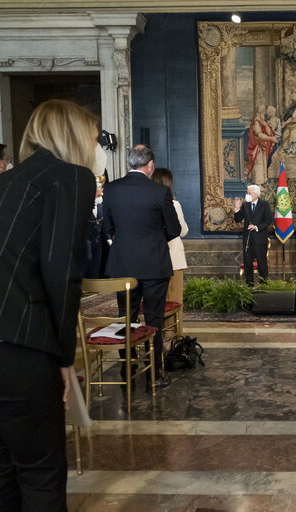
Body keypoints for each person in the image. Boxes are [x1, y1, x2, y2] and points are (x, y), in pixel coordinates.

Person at [0, 99, 98, 511]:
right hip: (7, 345)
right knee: (41, 473)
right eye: (93, 136)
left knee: (6, 464)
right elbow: (61, 269)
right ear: (75, 138)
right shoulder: (70, 177)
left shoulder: (0, 183)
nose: (97, 145)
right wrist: (65, 358)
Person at [103, 144, 182, 390]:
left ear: (130, 163)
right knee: (153, 319)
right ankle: (155, 374)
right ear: (150, 166)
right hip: (155, 264)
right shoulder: (159, 192)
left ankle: (128, 369)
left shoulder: (111, 189)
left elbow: (107, 228)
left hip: (123, 265)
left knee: (125, 317)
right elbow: (175, 230)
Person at [151, 167, 189, 306]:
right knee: (174, 299)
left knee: (156, 300)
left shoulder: (148, 203)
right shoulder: (174, 204)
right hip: (173, 257)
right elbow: (183, 231)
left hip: (153, 256)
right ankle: (172, 328)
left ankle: (157, 327)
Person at [233, 184, 272, 286]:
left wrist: (256, 227)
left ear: (255, 194)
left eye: (249, 193)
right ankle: (249, 286)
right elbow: (238, 219)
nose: (247, 195)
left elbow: (268, 220)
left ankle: (264, 286)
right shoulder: (245, 205)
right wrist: (237, 209)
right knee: (247, 264)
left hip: (260, 239)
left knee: (262, 263)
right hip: (248, 240)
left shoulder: (264, 204)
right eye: (247, 193)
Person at [246, 105, 278, 185]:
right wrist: (271, 139)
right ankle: (257, 184)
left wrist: (266, 125)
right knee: (258, 165)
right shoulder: (256, 122)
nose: (264, 116)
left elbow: (269, 133)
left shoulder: (261, 122)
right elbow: (260, 135)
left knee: (262, 164)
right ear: (260, 113)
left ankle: (260, 183)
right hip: (256, 147)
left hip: (261, 147)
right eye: (263, 114)